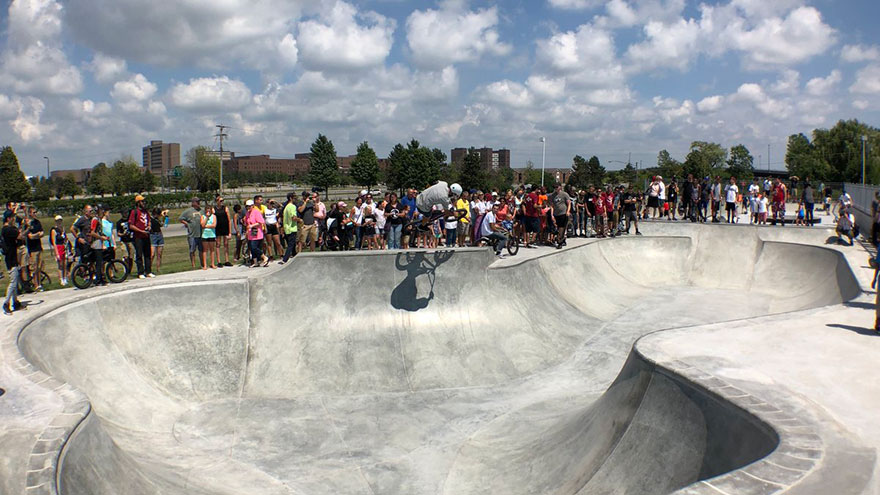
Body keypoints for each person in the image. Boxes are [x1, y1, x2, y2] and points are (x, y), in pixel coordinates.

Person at [127, 195, 154, 278]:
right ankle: (140, 272)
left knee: (147, 254)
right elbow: (131, 225)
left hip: (146, 235)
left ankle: (148, 271)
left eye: (144, 201)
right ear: (138, 203)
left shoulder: (146, 212)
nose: (144, 203)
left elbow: (149, 221)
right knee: (139, 254)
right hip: (138, 236)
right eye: (142, 201)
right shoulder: (134, 212)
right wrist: (140, 230)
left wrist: (149, 226)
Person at [3, 212, 24, 314]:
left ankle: (15, 302)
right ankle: (6, 303)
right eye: (12, 218)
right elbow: (20, 236)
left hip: (12, 257)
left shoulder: (9, 229)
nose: (14, 219)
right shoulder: (7, 230)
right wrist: (27, 227)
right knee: (13, 283)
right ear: (8, 218)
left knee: (15, 281)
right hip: (10, 259)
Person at [179, 197, 203, 269]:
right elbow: (180, 218)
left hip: (201, 233)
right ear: (193, 203)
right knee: (192, 250)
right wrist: (186, 224)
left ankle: (202, 264)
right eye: (197, 202)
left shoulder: (202, 211)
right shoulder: (188, 211)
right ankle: (193, 264)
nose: (198, 203)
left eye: (199, 202)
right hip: (192, 234)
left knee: (201, 250)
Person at [25, 206, 44, 291]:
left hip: (39, 247)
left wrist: (36, 235)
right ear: (30, 213)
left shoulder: (38, 222)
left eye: (36, 212)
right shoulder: (28, 224)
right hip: (32, 249)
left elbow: (42, 233)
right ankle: (35, 284)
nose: (35, 214)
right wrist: (37, 234)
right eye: (33, 212)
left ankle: (39, 283)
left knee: (39, 267)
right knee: (34, 268)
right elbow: (30, 236)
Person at [245, 199, 268, 267]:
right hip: (251, 233)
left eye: (249, 206)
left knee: (254, 247)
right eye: (247, 206)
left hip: (257, 233)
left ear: (253, 206)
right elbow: (247, 223)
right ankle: (255, 262)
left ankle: (264, 257)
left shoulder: (256, 212)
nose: (248, 208)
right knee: (252, 248)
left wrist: (252, 225)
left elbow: (261, 222)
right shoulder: (247, 213)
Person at [280, 192, 301, 264]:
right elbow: (293, 218)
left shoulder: (286, 207)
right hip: (292, 228)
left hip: (287, 228)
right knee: (291, 244)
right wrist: (300, 220)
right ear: (290, 198)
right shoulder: (292, 207)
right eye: (294, 198)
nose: (296, 200)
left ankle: (295, 255)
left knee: (293, 243)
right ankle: (285, 259)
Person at [49, 215, 69, 286]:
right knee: (60, 264)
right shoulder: (54, 230)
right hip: (58, 247)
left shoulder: (63, 229)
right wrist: (56, 252)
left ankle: (65, 277)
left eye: (60, 221)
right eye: (58, 221)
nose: (59, 222)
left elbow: (66, 239)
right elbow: (54, 242)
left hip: (63, 246)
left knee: (64, 263)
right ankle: (61, 279)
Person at [214, 195, 233, 266]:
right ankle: (219, 261)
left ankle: (227, 260)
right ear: (217, 201)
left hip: (225, 228)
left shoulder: (225, 208)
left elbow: (229, 220)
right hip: (217, 228)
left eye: (223, 201)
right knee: (218, 244)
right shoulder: (214, 209)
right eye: (220, 201)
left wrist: (230, 232)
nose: (222, 202)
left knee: (226, 244)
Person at [200, 204, 218, 269]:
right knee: (205, 250)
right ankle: (205, 265)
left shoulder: (214, 216)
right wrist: (206, 218)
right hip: (205, 235)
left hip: (212, 234)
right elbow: (202, 225)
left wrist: (206, 226)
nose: (208, 212)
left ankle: (212, 264)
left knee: (212, 250)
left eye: (209, 211)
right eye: (207, 211)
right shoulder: (203, 216)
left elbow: (214, 225)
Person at [149, 207, 164, 273]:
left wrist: (164, 218)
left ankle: (158, 268)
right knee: (152, 254)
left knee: (159, 254)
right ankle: (149, 268)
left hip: (159, 235)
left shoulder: (158, 219)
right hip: (153, 235)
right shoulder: (150, 219)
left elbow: (161, 225)